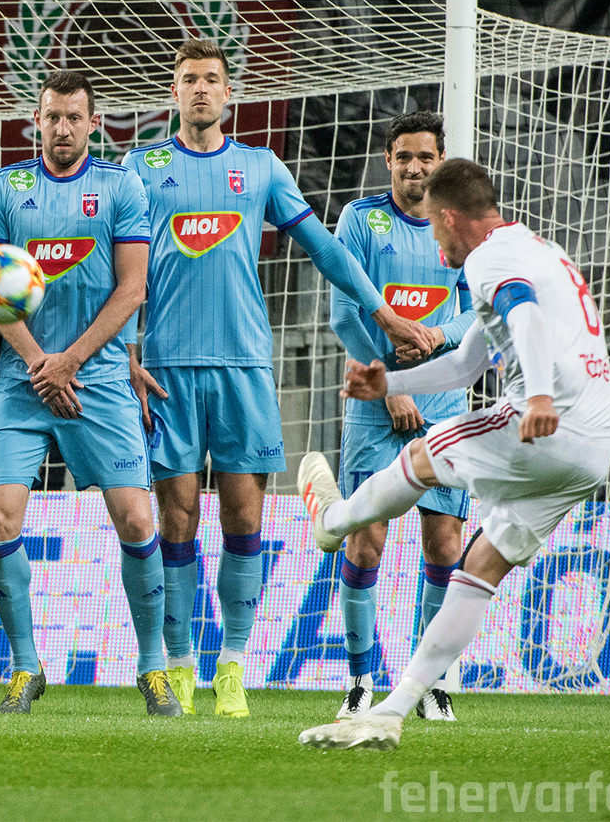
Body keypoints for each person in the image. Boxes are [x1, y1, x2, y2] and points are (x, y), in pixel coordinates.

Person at [124, 38, 430, 717]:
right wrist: (125, 353)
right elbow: (112, 267)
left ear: (228, 93)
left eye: (211, 79)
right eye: (188, 79)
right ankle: (181, 665)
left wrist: (382, 312)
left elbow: (324, 248)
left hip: (243, 367)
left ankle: (232, 665)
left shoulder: (260, 167)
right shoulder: (140, 168)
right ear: (173, 92)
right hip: (167, 368)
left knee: (243, 518)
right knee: (178, 519)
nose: (200, 89)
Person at [298, 158, 610, 750]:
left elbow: (524, 312)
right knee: (478, 570)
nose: (433, 243)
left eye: (433, 227)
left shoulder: (490, 258)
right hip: (593, 450)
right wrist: (389, 384)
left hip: (545, 422)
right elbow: (467, 364)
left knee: (424, 454)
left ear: (449, 217)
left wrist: (538, 396)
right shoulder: (539, 250)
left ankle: (332, 520)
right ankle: (391, 712)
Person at [0, 70, 176, 716]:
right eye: (52, 117)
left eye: (73, 117)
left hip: (101, 380)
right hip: (22, 379)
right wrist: (42, 363)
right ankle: (24, 666)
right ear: (36, 121)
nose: (62, 128)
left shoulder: (121, 187)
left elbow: (132, 289)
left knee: (138, 520)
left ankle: (153, 668)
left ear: (94, 123)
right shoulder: (5, 188)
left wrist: (70, 361)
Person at [326, 111, 473, 721]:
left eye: (426, 157)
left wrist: (439, 335)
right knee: (366, 543)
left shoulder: (459, 226)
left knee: (444, 545)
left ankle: (428, 683)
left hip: (444, 408)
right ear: (388, 160)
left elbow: (478, 314)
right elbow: (342, 313)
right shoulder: (361, 221)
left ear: (440, 162)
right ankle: (361, 680)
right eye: (404, 157)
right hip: (377, 407)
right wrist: (387, 384)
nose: (415, 167)